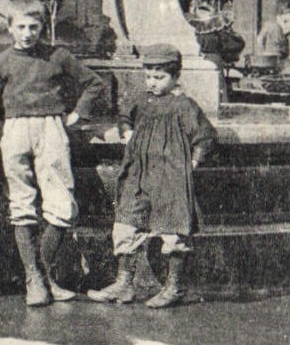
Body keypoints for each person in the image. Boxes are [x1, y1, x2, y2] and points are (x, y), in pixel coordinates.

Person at [0, 0, 108, 306]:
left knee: (63, 205)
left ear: (43, 27)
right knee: (22, 203)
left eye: (34, 27)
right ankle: (35, 279)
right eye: (21, 27)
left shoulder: (58, 56)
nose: (27, 34)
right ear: (10, 28)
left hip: (51, 129)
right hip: (13, 131)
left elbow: (93, 84)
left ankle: (41, 275)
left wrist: (77, 115)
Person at [87, 42, 217, 310]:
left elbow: (205, 135)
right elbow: (126, 116)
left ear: (175, 77)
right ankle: (124, 283)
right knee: (127, 222)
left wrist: (194, 160)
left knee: (173, 229)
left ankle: (174, 286)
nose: (152, 83)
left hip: (170, 177)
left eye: (159, 77)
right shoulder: (142, 102)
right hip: (139, 173)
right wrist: (127, 132)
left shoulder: (184, 106)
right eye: (148, 76)